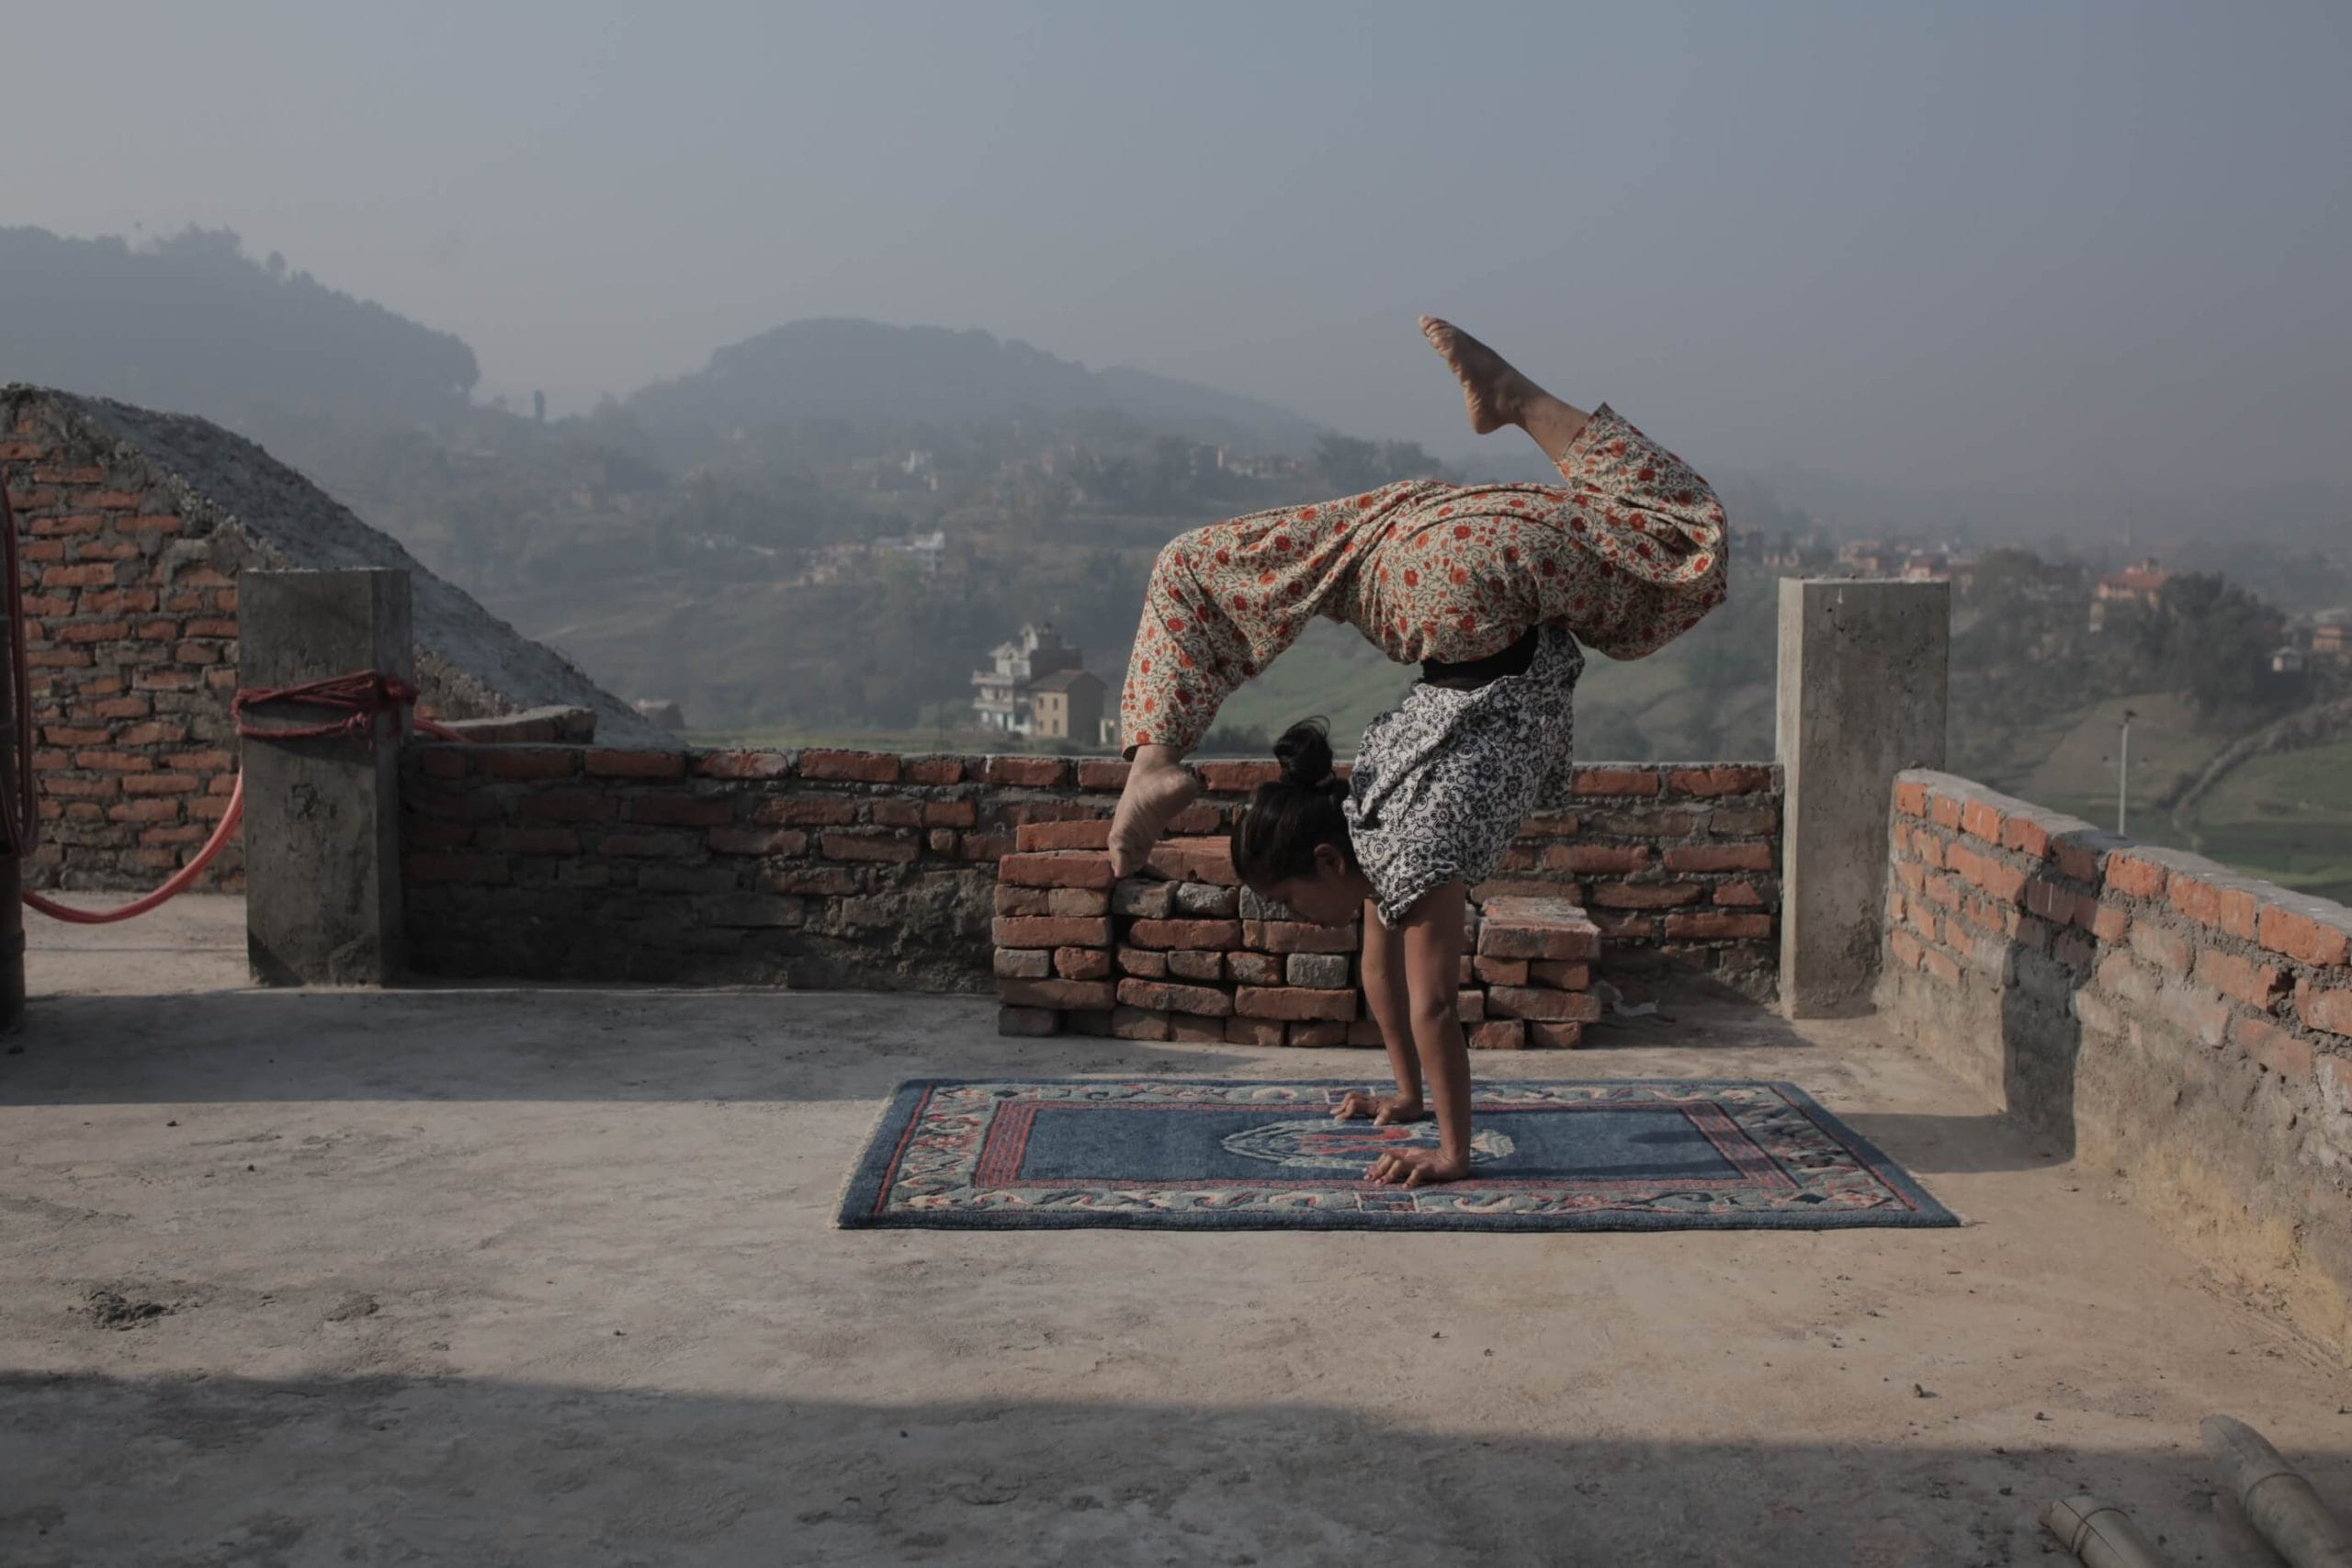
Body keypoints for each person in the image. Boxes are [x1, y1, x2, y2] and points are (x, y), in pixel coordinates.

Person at [1110, 317, 1730, 1186]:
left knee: (1686, 546)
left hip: (1469, 580)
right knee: (1191, 563)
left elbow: (1435, 1002)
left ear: (1326, 860)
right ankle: (1154, 755)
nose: (1298, 923)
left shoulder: (1406, 843)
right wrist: (1402, 1095)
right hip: (1416, 539)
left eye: (1292, 902)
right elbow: (1379, 969)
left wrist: (1449, 1149)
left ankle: (1512, 395)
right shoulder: (1364, 811)